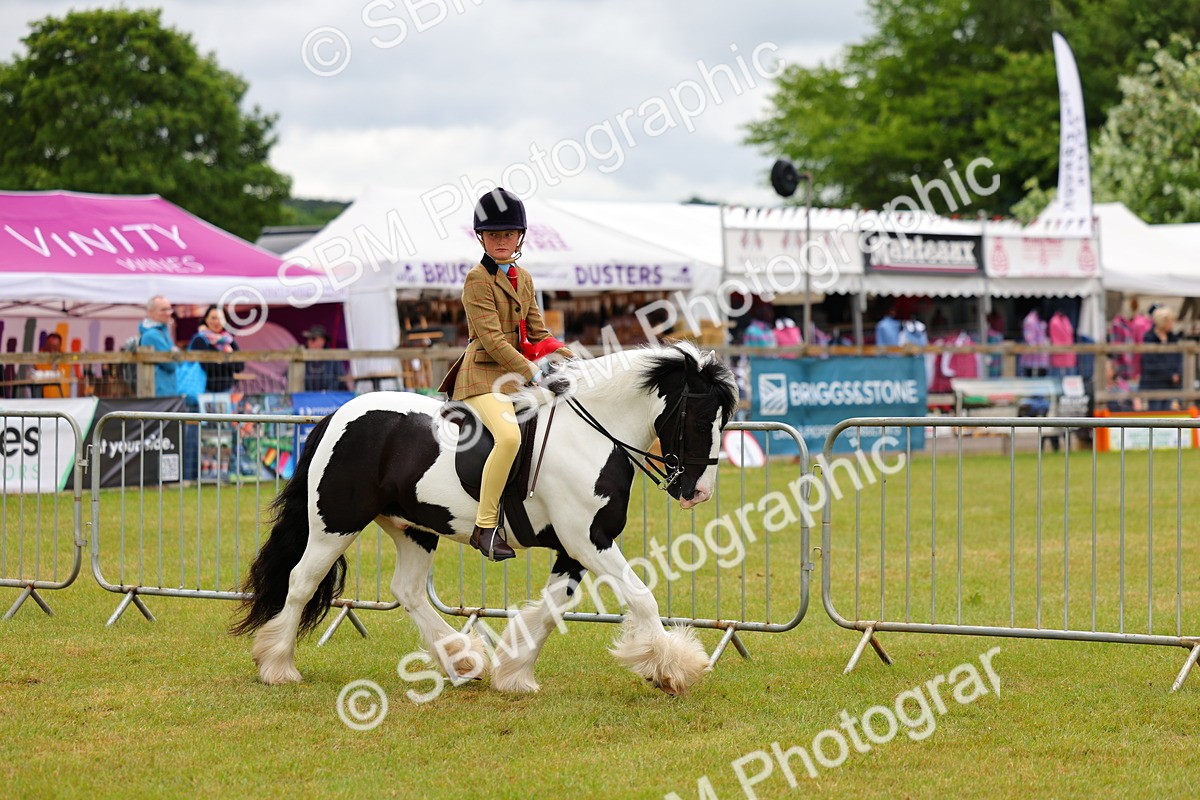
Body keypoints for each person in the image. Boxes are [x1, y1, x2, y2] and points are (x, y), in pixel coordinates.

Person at [436, 187, 572, 562]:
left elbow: (538, 333)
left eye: (509, 234)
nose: (502, 241)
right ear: (481, 237)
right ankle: (485, 525)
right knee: (509, 437)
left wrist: (569, 357)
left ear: (520, 237)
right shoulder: (476, 279)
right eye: (494, 235)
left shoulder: (524, 277)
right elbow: (492, 339)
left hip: (517, 375)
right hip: (482, 375)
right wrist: (533, 369)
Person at [188, 305, 244, 392]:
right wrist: (228, 360)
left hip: (228, 390)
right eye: (213, 318)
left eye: (220, 318)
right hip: (204, 390)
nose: (216, 322)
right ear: (206, 319)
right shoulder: (200, 340)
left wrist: (220, 361)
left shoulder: (228, 340)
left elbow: (240, 366)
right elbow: (208, 366)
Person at [1140, 306, 1182, 412]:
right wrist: (1170, 374)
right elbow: (1150, 363)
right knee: (1155, 414)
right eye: (1169, 321)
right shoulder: (1149, 339)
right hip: (1155, 385)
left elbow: (1179, 357)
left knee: (1170, 414)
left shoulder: (1173, 338)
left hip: (1171, 386)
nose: (1171, 324)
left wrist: (1178, 373)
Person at [138, 295, 177, 397]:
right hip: (159, 392)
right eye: (163, 310)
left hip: (166, 390)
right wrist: (175, 353)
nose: (168, 313)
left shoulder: (162, 331)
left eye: (169, 309)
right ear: (150, 312)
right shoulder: (152, 335)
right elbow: (171, 364)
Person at [301, 325, 347, 391]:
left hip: (329, 398)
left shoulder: (334, 359)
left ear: (322, 341)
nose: (309, 342)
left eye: (313, 339)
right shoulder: (301, 358)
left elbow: (341, 380)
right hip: (306, 399)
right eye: (308, 339)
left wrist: (326, 393)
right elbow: (289, 376)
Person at [34, 332, 71, 398]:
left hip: (63, 397)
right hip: (46, 398)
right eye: (50, 345)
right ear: (46, 345)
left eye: (55, 345)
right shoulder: (40, 358)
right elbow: (40, 373)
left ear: (60, 345)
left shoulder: (65, 359)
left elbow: (64, 373)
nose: (53, 348)